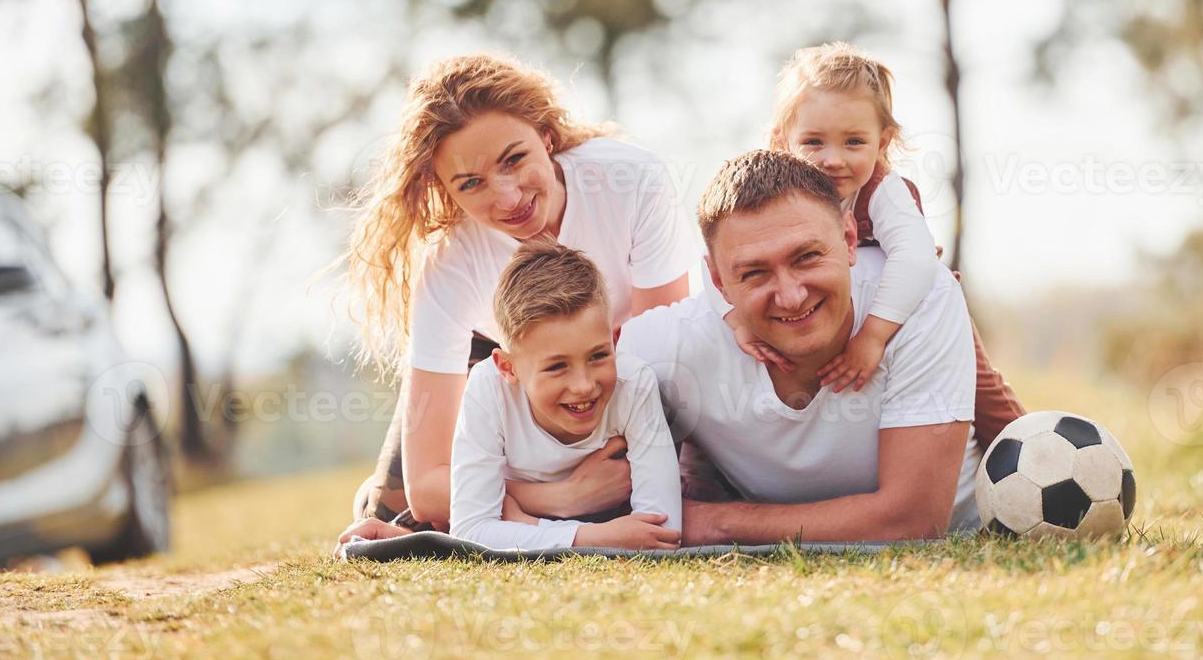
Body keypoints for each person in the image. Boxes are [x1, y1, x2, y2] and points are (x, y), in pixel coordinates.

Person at [343, 53, 695, 530]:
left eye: (515, 159)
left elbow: (661, 364)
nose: (508, 198)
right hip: (501, 359)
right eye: (471, 183)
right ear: (446, 190)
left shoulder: (633, 181)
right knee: (387, 507)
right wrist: (561, 497)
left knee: (671, 475)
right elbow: (427, 488)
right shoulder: (449, 263)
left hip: (617, 353)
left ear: (545, 137)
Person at [619, 149, 987, 545]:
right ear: (717, 279)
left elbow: (913, 519)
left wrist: (717, 524)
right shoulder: (669, 342)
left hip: (962, 528)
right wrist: (564, 493)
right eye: (755, 273)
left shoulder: (918, 297)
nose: (791, 297)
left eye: (807, 257)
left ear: (848, 239)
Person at [719, 42, 1025, 448]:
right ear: (782, 140)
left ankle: (1032, 453)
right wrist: (733, 318)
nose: (833, 159)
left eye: (854, 143)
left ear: (883, 143)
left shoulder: (883, 190)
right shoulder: (774, 192)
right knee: (727, 370)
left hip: (910, 306)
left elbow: (915, 259)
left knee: (982, 388)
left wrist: (873, 336)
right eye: (813, 142)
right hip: (823, 315)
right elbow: (723, 252)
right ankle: (702, 476)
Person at [337, 243, 681, 552]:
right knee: (382, 508)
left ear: (615, 340)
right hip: (519, 501)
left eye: (598, 356)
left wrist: (517, 525)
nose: (583, 385)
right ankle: (373, 496)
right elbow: (474, 529)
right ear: (507, 367)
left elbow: (660, 528)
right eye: (557, 367)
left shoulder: (635, 384)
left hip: (530, 508)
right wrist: (593, 537)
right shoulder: (489, 388)